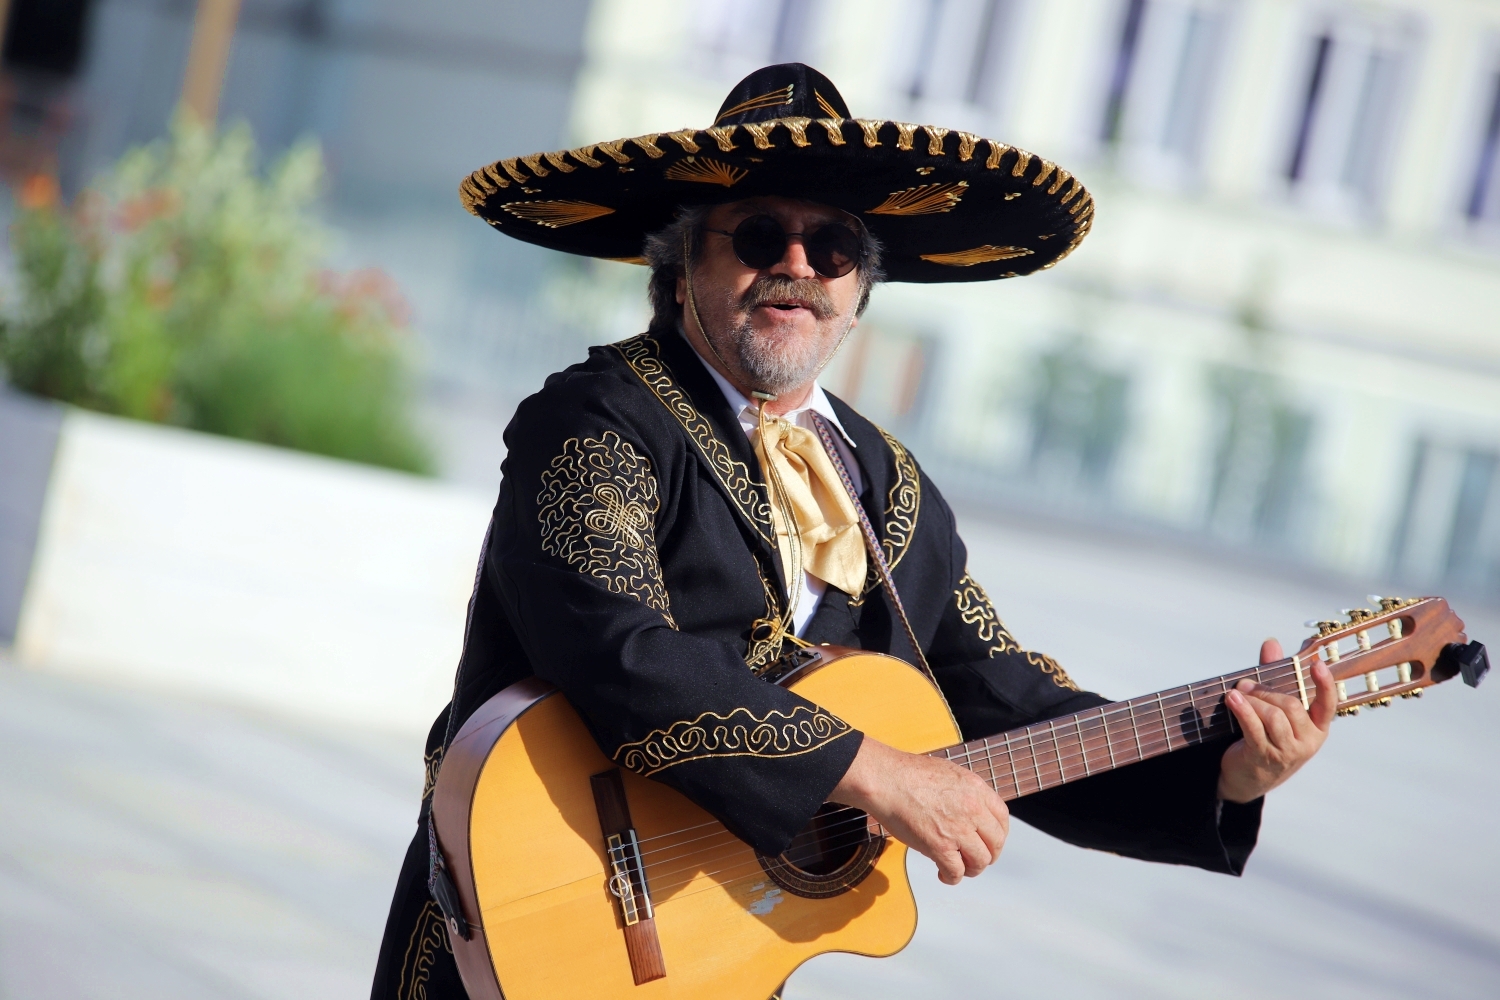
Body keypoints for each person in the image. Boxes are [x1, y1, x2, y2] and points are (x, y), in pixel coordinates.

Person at [370, 63, 1334, 1000]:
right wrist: (873, 773)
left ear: (859, 292)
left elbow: (1009, 709)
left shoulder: (891, 485)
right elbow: (617, 651)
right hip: (526, 916)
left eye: (832, 249)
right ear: (680, 269)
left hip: (720, 951)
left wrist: (1223, 773)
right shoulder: (598, 418)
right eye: (757, 236)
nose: (796, 267)